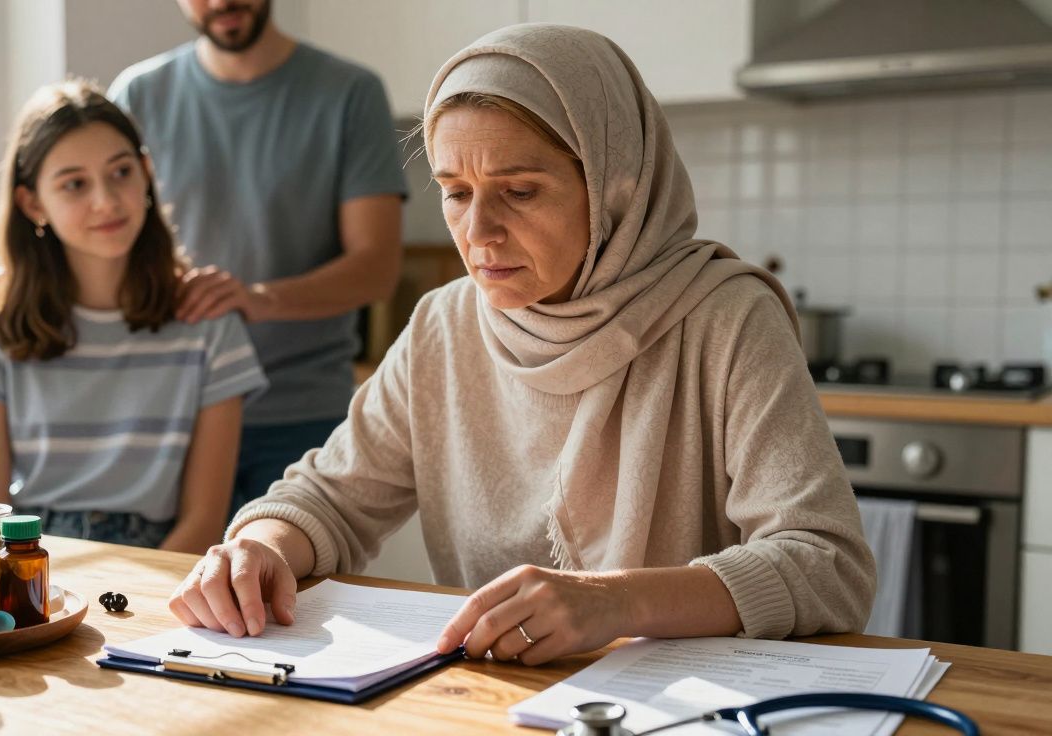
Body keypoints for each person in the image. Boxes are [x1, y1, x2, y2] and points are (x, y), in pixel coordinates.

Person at [168, 24, 876, 664]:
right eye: (455, 191)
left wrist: (616, 601)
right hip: (494, 696)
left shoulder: (727, 317)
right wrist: (258, 546)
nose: (478, 232)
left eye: (521, 191)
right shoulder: (443, 324)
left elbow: (826, 565)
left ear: (615, 187)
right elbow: (329, 497)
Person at [0, 0, 407, 521]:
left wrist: (256, 300)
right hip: (166, 417)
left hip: (298, 412)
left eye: (123, 174)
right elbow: (78, 209)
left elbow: (377, 268)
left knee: (298, 571)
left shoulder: (349, 93)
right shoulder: (140, 92)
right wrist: (6, 283)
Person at [0, 80, 267, 551]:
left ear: (146, 174)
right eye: (75, 184)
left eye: (121, 172)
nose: (107, 201)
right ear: (33, 203)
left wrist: (145, 594)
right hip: (33, 555)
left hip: (164, 560)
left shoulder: (210, 326)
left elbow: (203, 522)